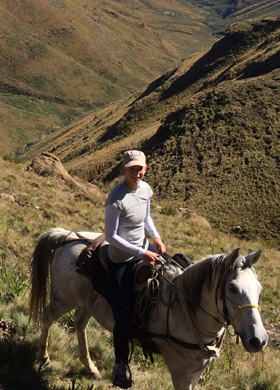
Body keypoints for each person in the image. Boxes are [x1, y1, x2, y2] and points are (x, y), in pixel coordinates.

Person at [104, 149, 167, 388]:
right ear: (123, 170)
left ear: (146, 168)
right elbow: (110, 236)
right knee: (124, 314)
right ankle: (120, 364)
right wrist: (143, 253)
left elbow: (146, 218)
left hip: (144, 249)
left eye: (140, 168)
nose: (136, 173)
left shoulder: (146, 189)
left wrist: (156, 237)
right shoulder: (116, 198)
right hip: (121, 259)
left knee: (175, 270)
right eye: (131, 169)